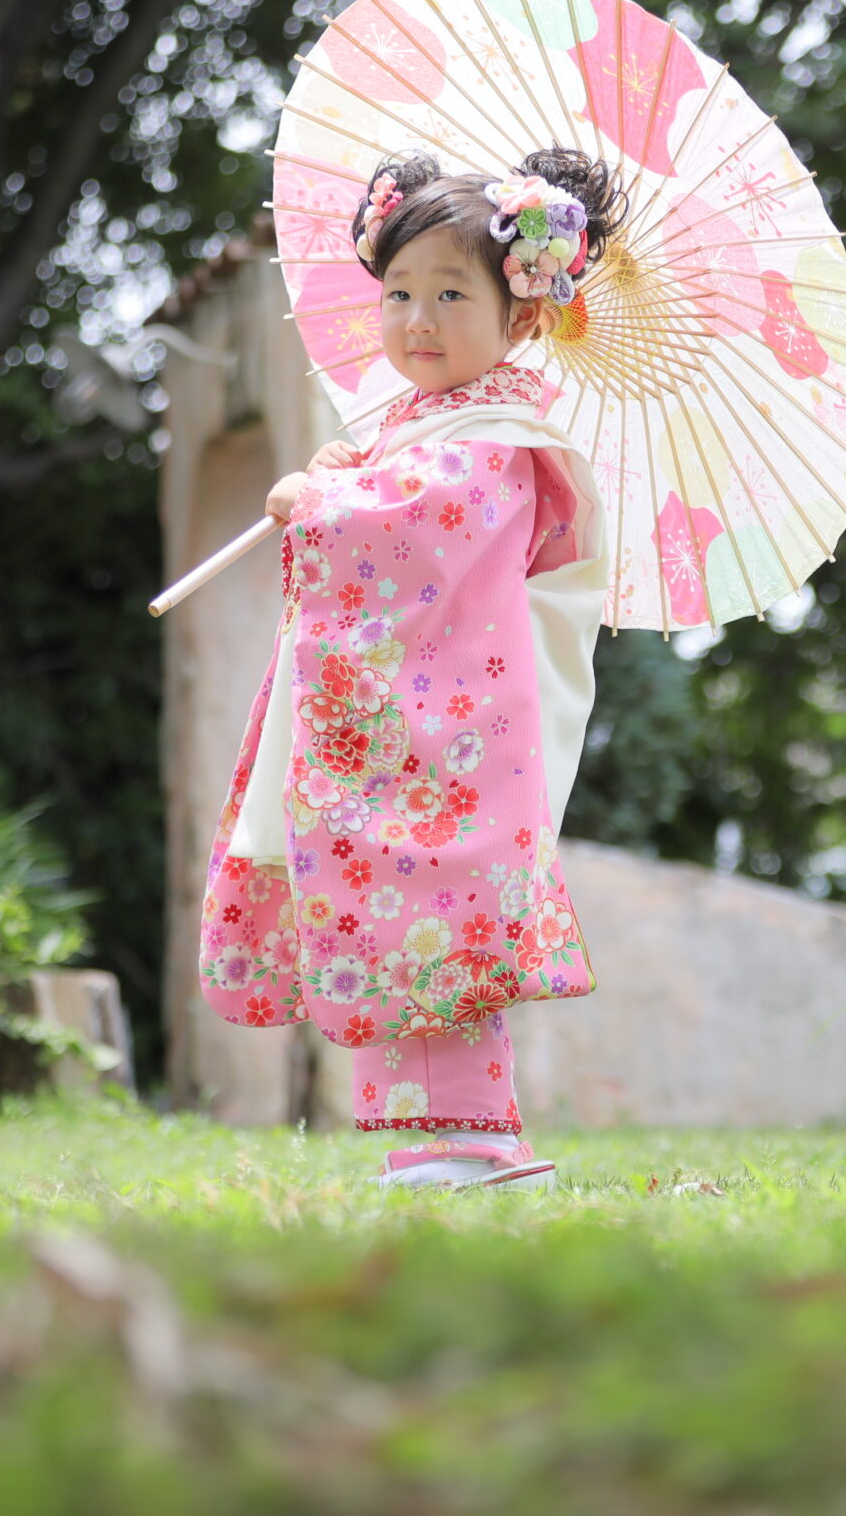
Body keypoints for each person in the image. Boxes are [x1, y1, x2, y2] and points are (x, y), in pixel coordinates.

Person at [195, 148, 617, 1191]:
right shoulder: (429, 429)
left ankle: (471, 1141)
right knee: (390, 912)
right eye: (398, 293)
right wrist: (345, 476)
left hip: (456, 730)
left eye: (450, 293)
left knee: (433, 913)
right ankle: (437, 1141)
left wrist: (323, 503)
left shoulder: (496, 438)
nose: (418, 319)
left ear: (522, 313)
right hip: (417, 721)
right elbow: (399, 503)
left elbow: (422, 532)